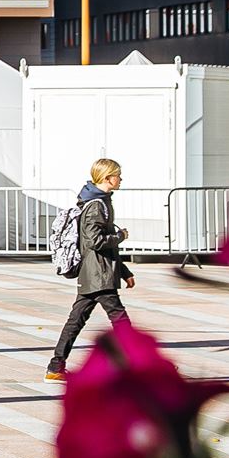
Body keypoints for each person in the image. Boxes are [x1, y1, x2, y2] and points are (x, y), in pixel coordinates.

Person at [47, 157, 136, 382]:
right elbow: (95, 241)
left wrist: (124, 271)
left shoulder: (100, 200)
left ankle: (56, 367)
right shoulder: (96, 205)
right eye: (118, 175)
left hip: (95, 273)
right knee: (121, 321)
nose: (121, 179)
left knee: (75, 321)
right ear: (107, 178)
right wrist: (120, 236)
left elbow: (98, 245)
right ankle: (142, 366)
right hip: (99, 274)